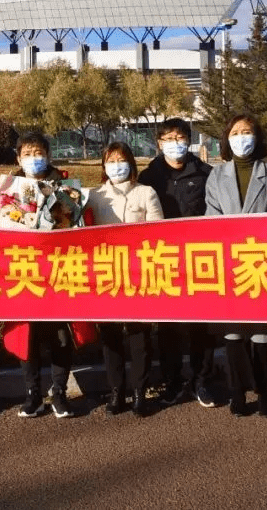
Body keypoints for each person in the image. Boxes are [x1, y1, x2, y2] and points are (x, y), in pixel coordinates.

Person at [0, 132, 91, 419]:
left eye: (39, 152)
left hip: (59, 275)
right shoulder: (8, 191)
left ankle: (59, 392)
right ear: (18, 158)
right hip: (24, 275)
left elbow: (84, 225)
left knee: (60, 336)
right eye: (28, 153)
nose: (34, 158)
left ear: (49, 155)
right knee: (27, 336)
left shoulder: (67, 188)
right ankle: (33, 393)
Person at [204, 113, 267, 418]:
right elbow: (211, 216)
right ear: (227, 139)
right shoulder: (216, 175)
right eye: (236, 132)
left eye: (247, 131)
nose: (242, 137)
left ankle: (266, 392)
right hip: (228, 261)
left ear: (257, 136)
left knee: (264, 333)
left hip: (260, 259)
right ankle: (237, 392)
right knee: (235, 334)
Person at [138, 117, 218, 409]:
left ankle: (201, 381)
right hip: (163, 260)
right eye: (168, 138)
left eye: (180, 137)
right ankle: (172, 381)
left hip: (199, 259)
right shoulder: (149, 177)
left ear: (189, 139)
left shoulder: (207, 173)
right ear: (159, 143)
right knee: (168, 326)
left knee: (202, 325)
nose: (175, 143)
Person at [86, 141, 164, 417]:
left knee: (139, 336)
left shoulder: (146, 193)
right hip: (106, 273)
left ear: (131, 163)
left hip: (138, 273)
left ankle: (140, 391)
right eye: (111, 160)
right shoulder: (94, 196)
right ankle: (116, 390)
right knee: (110, 337)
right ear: (103, 166)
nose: (116, 165)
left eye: (121, 160)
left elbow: (157, 231)